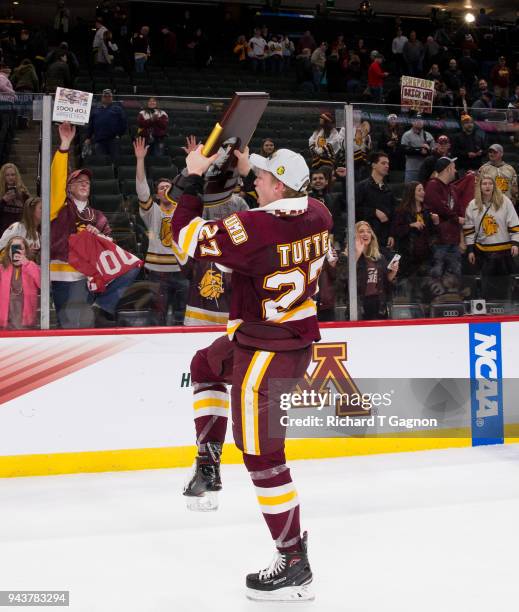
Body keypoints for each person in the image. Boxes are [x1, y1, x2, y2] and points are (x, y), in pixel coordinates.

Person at [174, 146, 332, 601]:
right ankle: (208, 463)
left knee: (264, 459)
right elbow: (275, 215)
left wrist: (191, 178)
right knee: (204, 365)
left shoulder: (256, 228)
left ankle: (294, 563)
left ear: (278, 185)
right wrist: (246, 166)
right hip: (278, 337)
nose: (254, 182)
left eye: (261, 177)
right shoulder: (319, 213)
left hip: (267, 352)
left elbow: (185, 237)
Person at [50, 122, 139, 328]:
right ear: (68, 188)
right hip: (65, 273)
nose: (84, 183)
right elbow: (56, 182)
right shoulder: (59, 207)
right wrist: (64, 146)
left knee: (132, 266)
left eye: (87, 182)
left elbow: (111, 244)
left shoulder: (98, 216)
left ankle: (103, 305)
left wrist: (97, 234)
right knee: (68, 327)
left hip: (89, 276)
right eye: (78, 181)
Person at [133, 137, 188, 325]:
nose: (165, 190)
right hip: (157, 272)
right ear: (157, 194)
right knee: (157, 317)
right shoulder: (152, 211)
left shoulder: (183, 210)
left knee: (183, 316)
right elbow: (141, 189)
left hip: (181, 270)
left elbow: (189, 183)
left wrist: (192, 161)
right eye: (161, 188)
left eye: (168, 187)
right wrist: (140, 160)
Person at [464, 176, 519, 299]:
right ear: (480, 187)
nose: (487, 186)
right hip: (483, 254)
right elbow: (469, 230)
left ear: (494, 186)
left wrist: (515, 243)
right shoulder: (473, 205)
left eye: (490, 183)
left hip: (504, 253)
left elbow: (514, 223)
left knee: (507, 288)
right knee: (486, 289)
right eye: (484, 184)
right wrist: (471, 250)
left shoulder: (505, 201)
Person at [346, 221, 399, 320]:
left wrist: (394, 271)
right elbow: (345, 277)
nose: (366, 234)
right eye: (361, 231)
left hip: (378, 302)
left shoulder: (379, 257)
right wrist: (357, 253)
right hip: (359, 303)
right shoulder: (347, 257)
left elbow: (386, 279)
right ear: (355, 236)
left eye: (368, 231)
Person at [424, 157, 464, 280]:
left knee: (454, 278)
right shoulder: (432, 185)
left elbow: (458, 210)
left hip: (453, 240)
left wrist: (461, 238)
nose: (456, 170)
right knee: (437, 276)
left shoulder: (452, 188)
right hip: (439, 241)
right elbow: (440, 207)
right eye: (454, 167)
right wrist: (456, 218)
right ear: (448, 169)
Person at [392, 182, 439, 282]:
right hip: (406, 257)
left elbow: (433, 234)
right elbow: (396, 231)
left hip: (424, 258)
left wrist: (436, 223)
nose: (423, 192)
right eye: (419, 190)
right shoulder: (402, 211)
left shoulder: (426, 211)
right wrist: (410, 225)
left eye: (423, 190)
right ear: (411, 193)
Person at [355, 152, 395, 249]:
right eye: (383, 163)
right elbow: (355, 210)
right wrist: (374, 212)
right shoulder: (362, 186)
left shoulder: (388, 189)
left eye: (388, 164)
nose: (387, 166)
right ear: (373, 165)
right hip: (366, 236)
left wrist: (391, 234)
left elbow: (393, 214)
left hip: (384, 237)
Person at [0, 236, 40, 329]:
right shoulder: (2, 268)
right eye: (13, 247)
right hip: (4, 320)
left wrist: (27, 263)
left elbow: (43, 285)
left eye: (20, 248)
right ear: (8, 251)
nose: (16, 251)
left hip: (26, 319)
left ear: (25, 251)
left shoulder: (31, 266)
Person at [84, 89, 127, 161]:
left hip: (113, 140)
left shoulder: (118, 109)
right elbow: (91, 125)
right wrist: (88, 137)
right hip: (99, 140)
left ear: (112, 98)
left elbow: (123, 123)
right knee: (101, 161)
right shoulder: (95, 110)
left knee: (115, 161)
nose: (107, 98)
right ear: (102, 98)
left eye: (109, 96)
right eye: (105, 96)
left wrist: (119, 135)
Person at [0, 196, 41, 262]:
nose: (45, 211)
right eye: (41, 208)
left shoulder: (38, 233)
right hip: (13, 270)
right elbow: (1, 248)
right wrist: (24, 252)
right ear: (31, 211)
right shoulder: (17, 227)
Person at [401, 116, 434, 182]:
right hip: (411, 168)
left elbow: (433, 151)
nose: (419, 122)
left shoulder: (428, 135)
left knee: (423, 190)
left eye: (421, 120)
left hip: (425, 168)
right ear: (412, 122)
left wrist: (428, 149)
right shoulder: (406, 135)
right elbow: (404, 150)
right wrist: (419, 150)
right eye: (417, 120)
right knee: (409, 190)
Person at [0, 163, 30, 237]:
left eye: (13, 175)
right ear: (3, 177)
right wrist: (3, 200)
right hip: (2, 232)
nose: (10, 177)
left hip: (19, 231)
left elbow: (29, 212)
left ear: (16, 176)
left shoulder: (23, 192)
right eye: (7, 175)